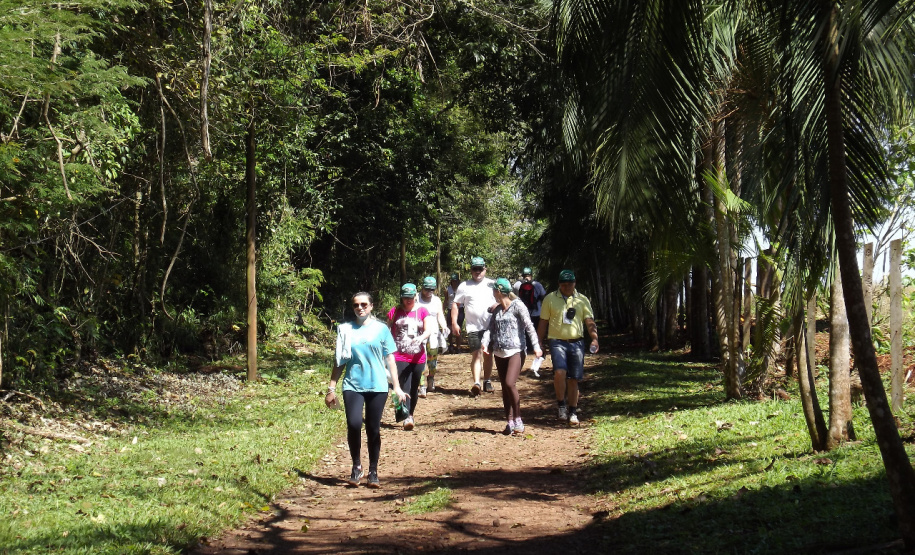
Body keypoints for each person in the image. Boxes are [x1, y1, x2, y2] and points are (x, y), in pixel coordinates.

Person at [326, 292, 407, 488]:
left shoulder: (381, 330)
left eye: (364, 304)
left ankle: (373, 470)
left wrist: (396, 387)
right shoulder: (345, 330)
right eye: (356, 305)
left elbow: (390, 359)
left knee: (373, 428)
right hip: (352, 385)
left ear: (371, 306)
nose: (360, 308)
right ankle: (356, 466)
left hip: (377, 386)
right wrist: (331, 387)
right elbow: (340, 360)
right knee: (353, 424)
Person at [537, 269, 599, 426]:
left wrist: (594, 339)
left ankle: (573, 411)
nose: (567, 287)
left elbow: (589, 321)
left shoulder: (582, 299)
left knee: (573, 379)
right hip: (557, 341)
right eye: (563, 284)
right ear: (559, 284)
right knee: (560, 372)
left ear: (574, 283)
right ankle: (561, 406)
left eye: (570, 284)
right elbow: (543, 322)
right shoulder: (550, 299)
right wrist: (539, 342)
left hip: (577, 342)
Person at [482, 278, 542, 435]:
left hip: (516, 351)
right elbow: (490, 329)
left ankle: (518, 419)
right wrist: (485, 342)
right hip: (499, 352)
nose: (493, 293)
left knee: (510, 383)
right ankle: (509, 421)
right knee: (504, 386)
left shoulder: (518, 306)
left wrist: (536, 347)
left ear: (499, 291)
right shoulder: (496, 310)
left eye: (494, 290)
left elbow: (529, 326)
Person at [387, 283, 436, 430]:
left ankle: (410, 413)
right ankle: (406, 415)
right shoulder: (395, 311)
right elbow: (387, 329)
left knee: (414, 387)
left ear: (415, 296)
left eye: (411, 297)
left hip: (417, 356)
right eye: (405, 298)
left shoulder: (422, 311)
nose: (408, 301)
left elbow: (428, 329)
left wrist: (422, 338)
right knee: (404, 385)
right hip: (399, 355)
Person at [451, 256, 495, 396]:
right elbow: (456, 304)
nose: (478, 272)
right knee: (476, 354)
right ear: (471, 270)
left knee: (488, 354)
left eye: (480, 269)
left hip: (490, 326)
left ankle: (487, 380)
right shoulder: (464, 286)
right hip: (472, 327)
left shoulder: (492, 284)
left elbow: (502, 300)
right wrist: (454, 322)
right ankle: (476, 382)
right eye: (475, 269)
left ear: (485, 269)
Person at [416, 276, 448, 395]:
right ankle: (421, 384)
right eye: (427, 289)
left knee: (432, 359)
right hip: (419, 333)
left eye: (432, 290)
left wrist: (444, 326)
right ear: (422, 288)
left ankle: (431, 377)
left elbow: (440, 315)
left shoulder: (436, 300)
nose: (429, 292)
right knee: (421, 358)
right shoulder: (416, 299)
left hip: (433, 333)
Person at [513, 267, 547, 333]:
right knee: (534, 334)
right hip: (535, 314)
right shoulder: (537, 285)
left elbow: (513, 297)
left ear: (522, 275)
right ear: (531, 275)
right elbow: (544, 297)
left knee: (523, 334)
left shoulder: (517, 285)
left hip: (521, 313)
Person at [446, 273, 464, 352]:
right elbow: (446, 300)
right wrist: (442, 309)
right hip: (450, 310)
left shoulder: (462, 289)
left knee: (458, 328)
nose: (454, 282)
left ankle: (458, 346)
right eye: (453, 281)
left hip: (460, 310)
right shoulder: (448, 289)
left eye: (456, 281)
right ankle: (450, 345)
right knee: (449, 328)